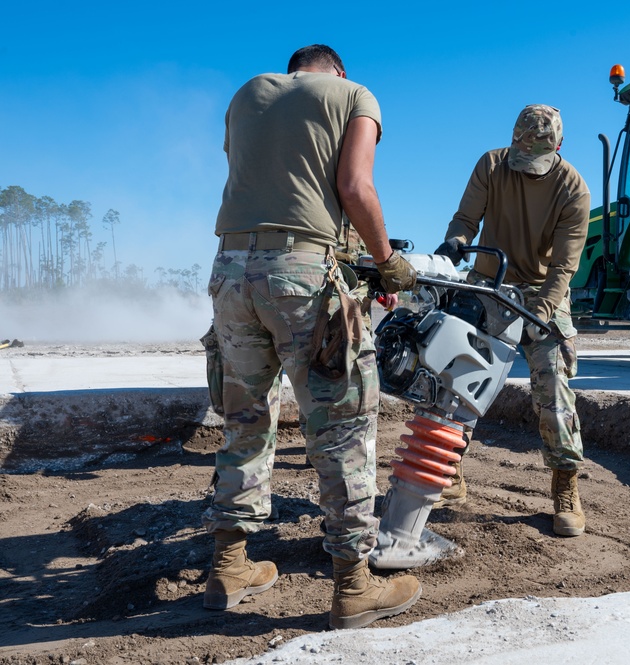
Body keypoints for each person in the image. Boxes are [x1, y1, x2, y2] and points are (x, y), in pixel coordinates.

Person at [201, 44, 421, 630]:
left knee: (245, 421)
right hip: (300, 278)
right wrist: (388, 261)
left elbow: (256, 178)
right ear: (338, 72)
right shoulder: (355, 95)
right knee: (344, 424)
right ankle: (352, 587)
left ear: (294, 70)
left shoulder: (246, 93)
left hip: (229, 274)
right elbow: (354, 186)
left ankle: (228, 566)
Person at [434, 104, 591, 536]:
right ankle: (451, 470)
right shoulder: (492, 164)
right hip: (489, 284)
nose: (525, 169)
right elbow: (466, 219)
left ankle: (565, 485)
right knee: (456, 380)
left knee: (554, 391)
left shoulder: (573, 189)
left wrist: (541, 312)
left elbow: (563, 267)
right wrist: (454, 244)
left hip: (544, 293)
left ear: (558, 147)